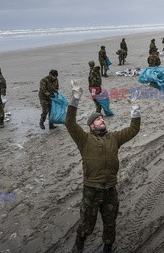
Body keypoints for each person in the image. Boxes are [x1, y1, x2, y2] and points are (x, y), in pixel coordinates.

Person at [65, 80, 140, 253]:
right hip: (92, 188)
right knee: (86, 223)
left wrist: (135, 109)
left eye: (101, 118)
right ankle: (79, 246)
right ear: (91, 125)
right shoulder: (84, 140)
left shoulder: (114, 138)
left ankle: (107, 248)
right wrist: (75, 98)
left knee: (110, 222)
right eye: (98, 119)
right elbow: (69, 123)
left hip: (110, 189)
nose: (101, 120)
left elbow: (134, 130)